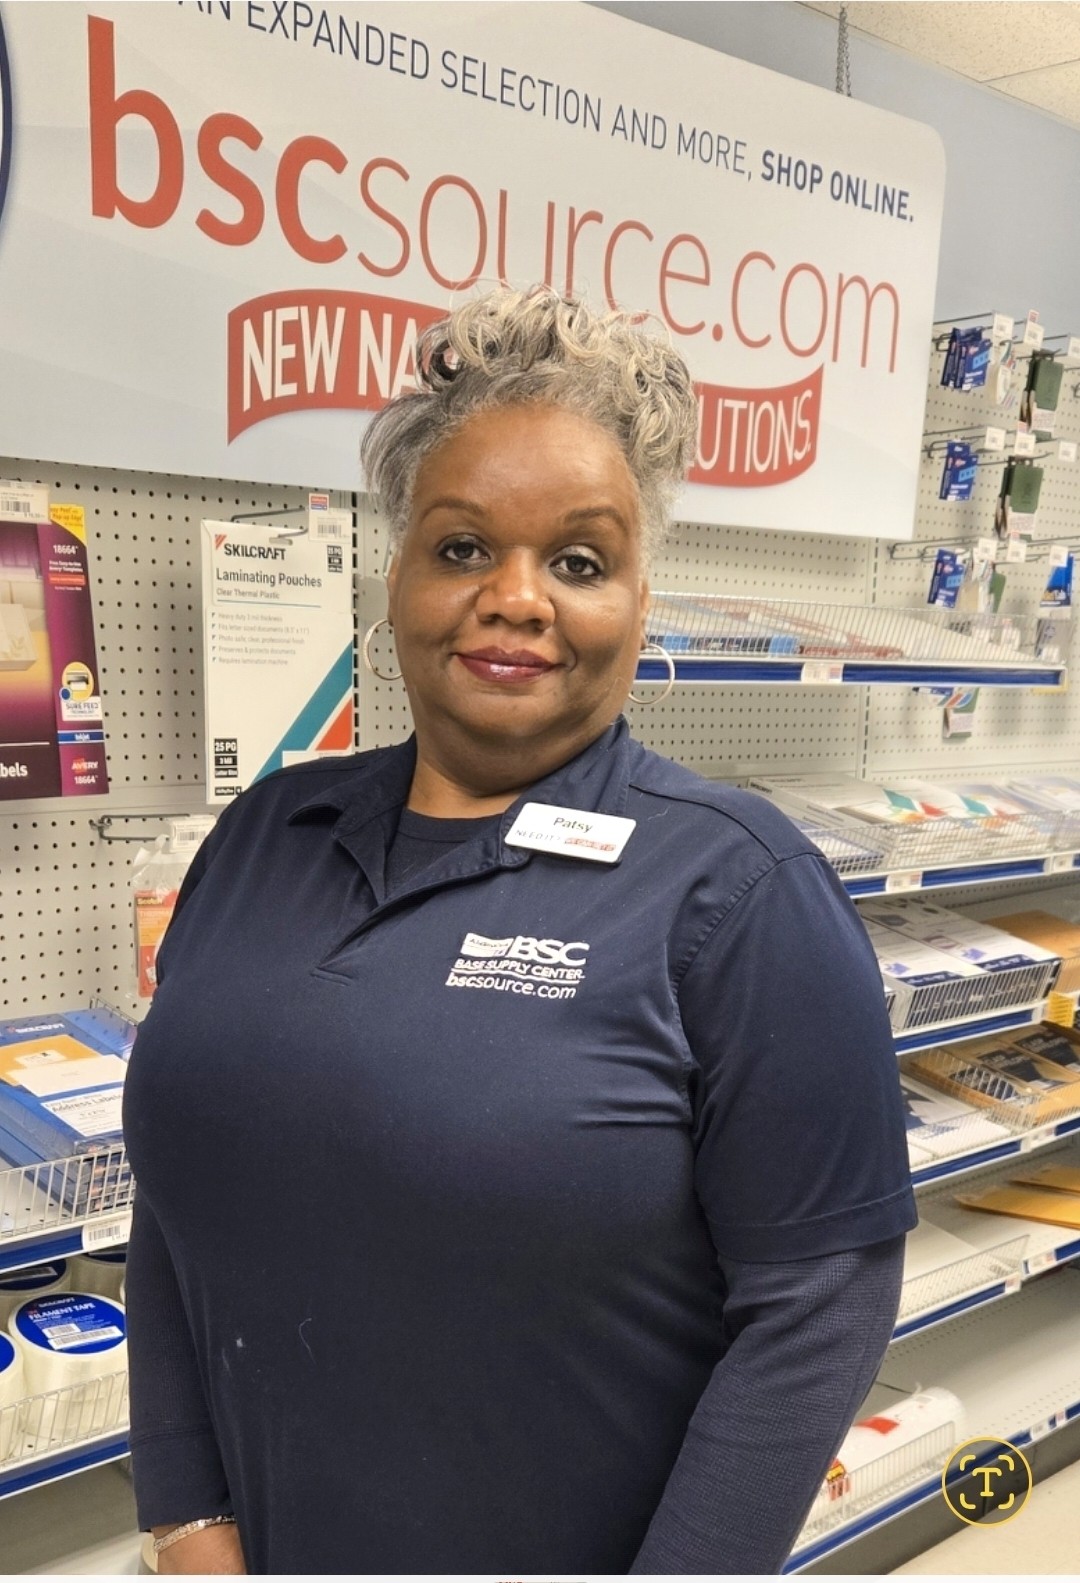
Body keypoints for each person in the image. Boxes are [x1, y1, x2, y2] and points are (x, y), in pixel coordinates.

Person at [123, 286, 917, 1576]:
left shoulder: (737, 889)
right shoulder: (266, 832)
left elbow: (817, 1309)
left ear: (639, 601)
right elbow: (183, 1186)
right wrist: (186, 1512)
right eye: (461, 548)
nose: (516, 598)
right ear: (397, 575)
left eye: (580, 562)